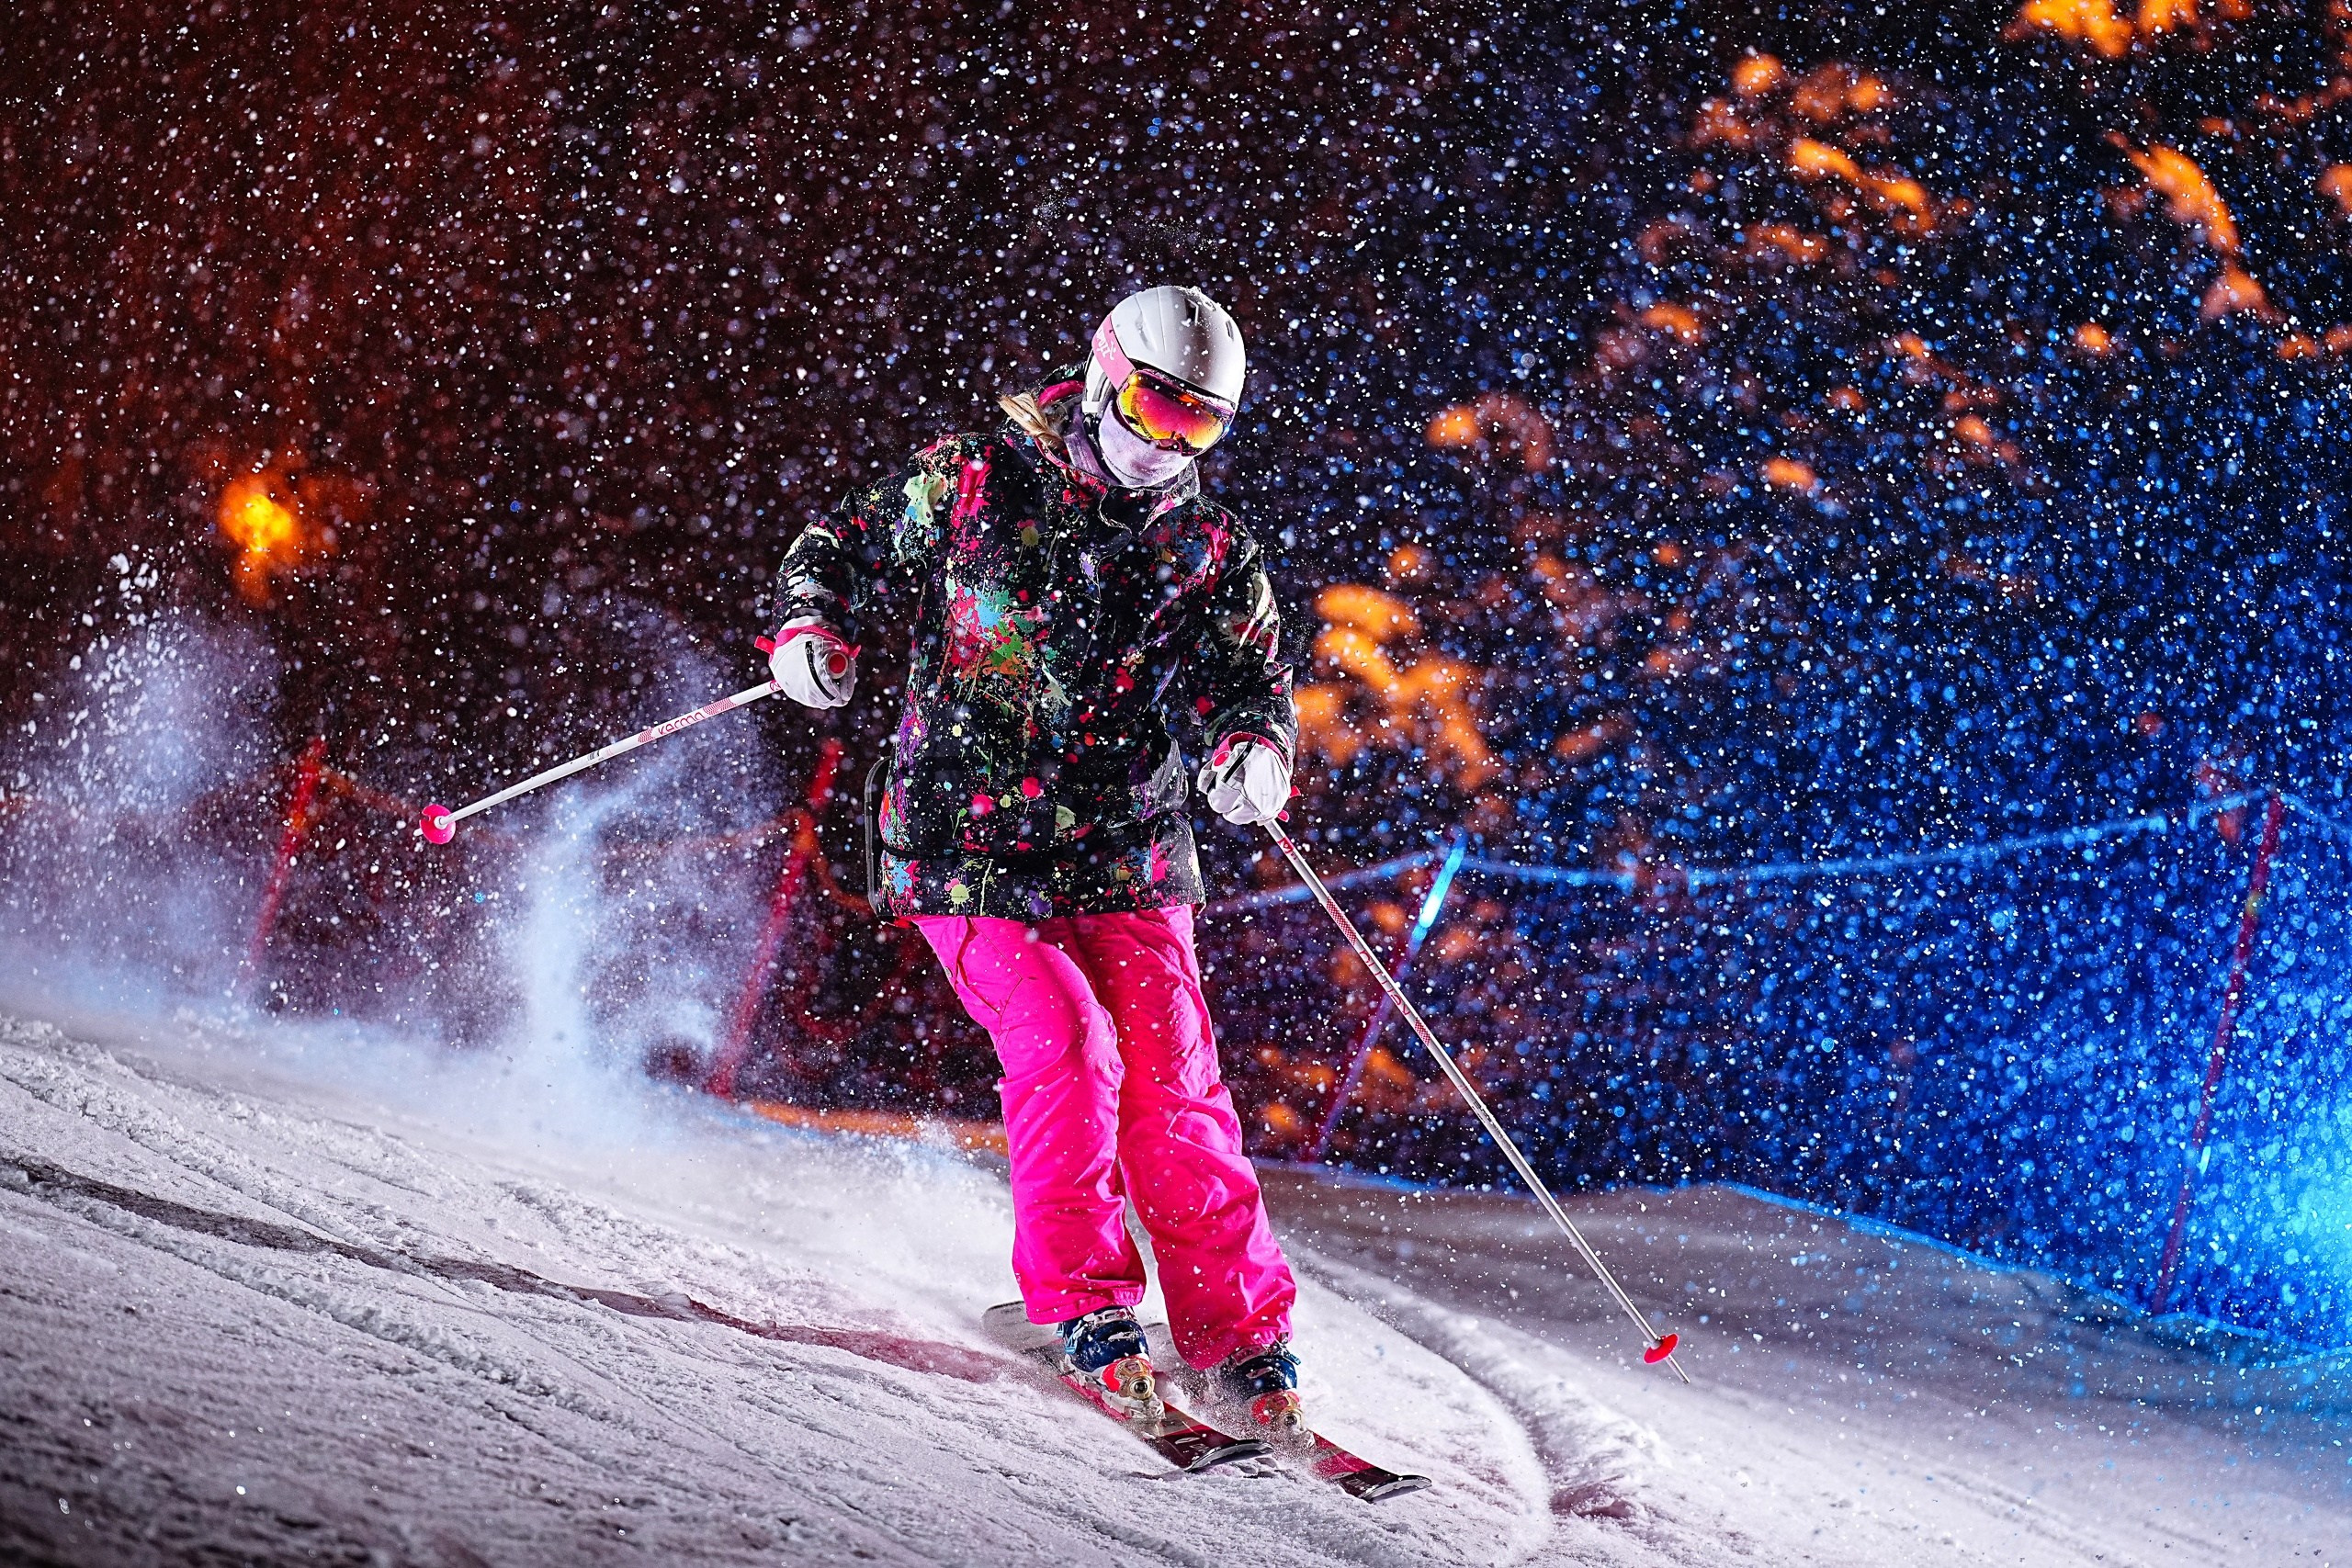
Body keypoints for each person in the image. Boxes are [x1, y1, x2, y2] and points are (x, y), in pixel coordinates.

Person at [764, 286, 1306, 1427]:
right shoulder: (975, 478)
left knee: (1176, 1076)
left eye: (1200, 425)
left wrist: (1251, 748)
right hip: (966, 841)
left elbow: (1242, 682)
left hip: (1124, 846)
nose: (1170, 444)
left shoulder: (1206, 549)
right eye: (1157, 408)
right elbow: (844, 545)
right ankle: (1083, 1304)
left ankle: (1242, 1333)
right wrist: (813, 625)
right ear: (1108, 376)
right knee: (1068, 1045)